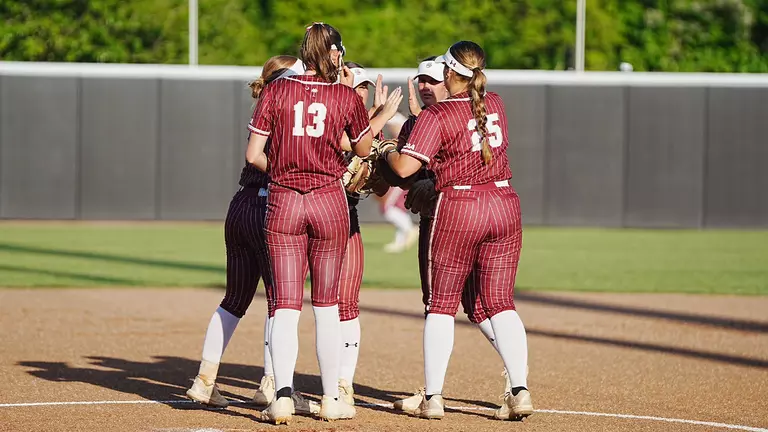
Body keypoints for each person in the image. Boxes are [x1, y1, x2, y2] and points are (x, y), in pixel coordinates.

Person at [245, 23, 398, 424]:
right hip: (330, 202)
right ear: (333, 53)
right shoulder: (345, 96)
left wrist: (285, 174)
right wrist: (375, 115)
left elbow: (253, 154)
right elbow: (363, 148)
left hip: (284, 201)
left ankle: (280, 395)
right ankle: (331, 398)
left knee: (285, 306)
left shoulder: (278, 90)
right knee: (327, 306)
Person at [382, 41, 532, 421]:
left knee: (441, 306)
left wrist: (385, 148)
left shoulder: (438, 115)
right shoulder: (493, 102)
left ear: (449, 73)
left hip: (460, 207)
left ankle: (433, 397)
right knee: (501, 303)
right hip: (504, 202)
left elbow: (402, 169)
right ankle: (520, 390)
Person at [185, 55, 318, 415]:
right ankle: (273, 385)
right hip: (272, 209)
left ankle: (204, 380)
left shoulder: (267, 104)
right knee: (282, 304)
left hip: (242, 205)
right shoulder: (291, 107)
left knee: (234, 300)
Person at [336, 61, 402, 406]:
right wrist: (379, 117)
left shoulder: (370, 130)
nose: (359, 91)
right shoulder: (323, 111)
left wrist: (385, 150)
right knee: (285, 303)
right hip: (306, 214)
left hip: (344, 219)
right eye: (353, 83)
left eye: (363, 86)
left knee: (346, 302)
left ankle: (344, 383)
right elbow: (344, 143)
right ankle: (275, 380)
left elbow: (376, 189)